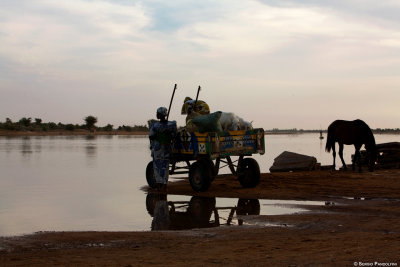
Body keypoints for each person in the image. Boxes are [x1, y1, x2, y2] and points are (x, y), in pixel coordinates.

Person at [149, 107, 177, 192]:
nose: (156, 115)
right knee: (165, 167)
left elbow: (151, 136)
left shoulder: (155, 125)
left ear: (160, 115)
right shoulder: (172, 125)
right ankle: (164, 185)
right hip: (167, 149)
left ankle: (159, 186)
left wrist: (158, 135)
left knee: (157, 167)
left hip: (158, 150)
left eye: (157, 113)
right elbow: (174, 135)